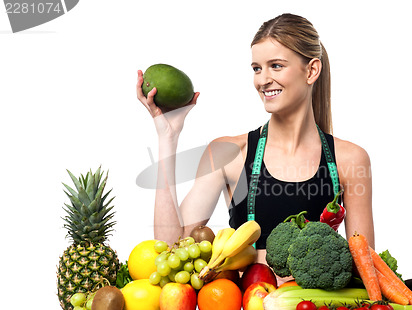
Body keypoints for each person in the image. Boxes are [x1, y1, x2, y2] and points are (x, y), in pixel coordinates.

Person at [136, 13, 374, 283]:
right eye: (257, 68)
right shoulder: (227, 153)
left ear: (311, 71)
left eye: (276, 66)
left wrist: (251, 258)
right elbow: (171, 248)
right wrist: (168, 137)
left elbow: (363, 264)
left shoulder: (349, 159)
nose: (263, 80)